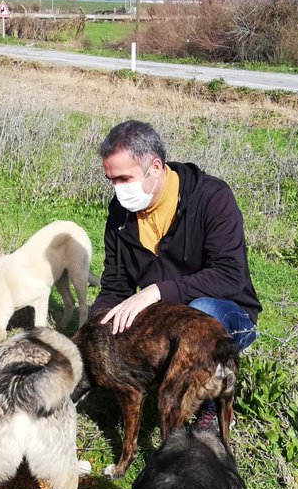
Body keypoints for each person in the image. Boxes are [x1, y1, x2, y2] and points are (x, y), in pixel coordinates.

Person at [93, 119, 260, 352]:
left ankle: (206, 366)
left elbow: (229, 275)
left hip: (225, 311)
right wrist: (95, 327)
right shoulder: (120, 212)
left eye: (124, 179)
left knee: (200, 313)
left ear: (155, 168)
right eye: (111, 180)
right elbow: (115, 287)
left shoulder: (213, 197)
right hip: (164, 315)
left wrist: (156, 291)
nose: (117, 189)